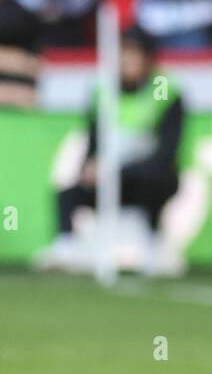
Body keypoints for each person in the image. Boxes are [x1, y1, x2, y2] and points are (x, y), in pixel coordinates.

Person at [35, 28, 185, 276]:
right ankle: (66, 248)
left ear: (147, 59)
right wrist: (90, 167)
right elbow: (93, 142)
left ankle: (155, 246)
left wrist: (116, 170)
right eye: (121, 53)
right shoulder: (102, 91)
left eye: (132, 54)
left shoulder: (165, 92)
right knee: (68, 195)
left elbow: (165, 155)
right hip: (108, 178)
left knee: (154, 183)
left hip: (147, 178)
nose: (125, 61)